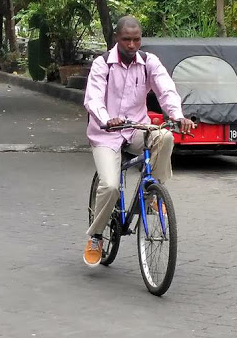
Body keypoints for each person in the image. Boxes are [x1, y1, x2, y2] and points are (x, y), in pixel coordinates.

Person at [82, 15, 196, 267]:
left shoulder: (148, 62)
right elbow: (93, 99)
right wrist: (106, 118)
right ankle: (96, 235)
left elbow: (166, 90)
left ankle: (151, 194)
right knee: (111, 186)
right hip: (106, 133)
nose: (132, 45)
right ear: (116, 38)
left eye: (136, 40)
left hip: (136, 128)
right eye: (126, 40)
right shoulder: (102, 64)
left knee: (164, 136)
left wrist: (178, 116)